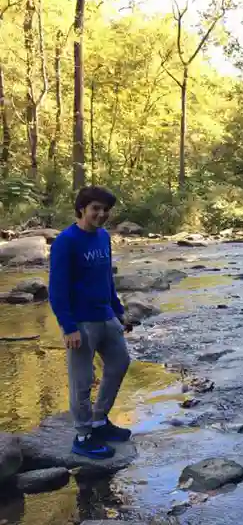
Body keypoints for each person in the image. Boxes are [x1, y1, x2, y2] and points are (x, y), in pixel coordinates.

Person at [49, 186, 132, 459]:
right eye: (96, 208)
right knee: (82, 381)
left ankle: (99, 420)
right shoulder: (66, 241)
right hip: (81, 322)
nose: (101, 214)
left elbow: (106, 277)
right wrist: (68, 326)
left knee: (120, 362)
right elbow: (57, 289)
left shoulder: (103, 237)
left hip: (106, 315)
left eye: (105, 209)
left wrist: (118, 309)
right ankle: (83, 436)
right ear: (82, 208)